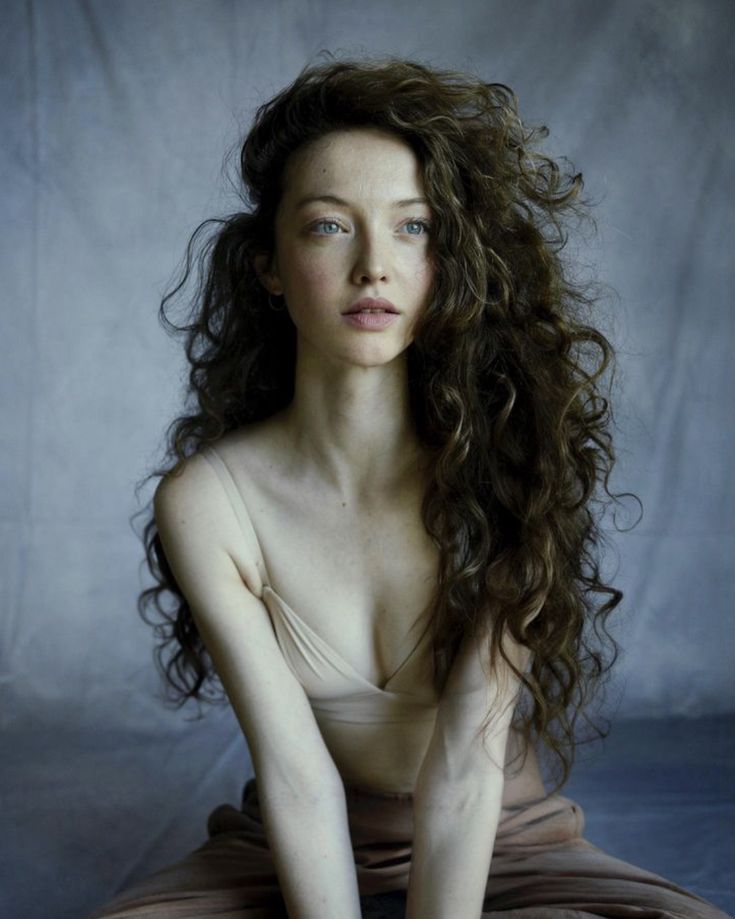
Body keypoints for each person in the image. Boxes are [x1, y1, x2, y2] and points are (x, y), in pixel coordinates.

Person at [89, 55, 731, 919]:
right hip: (292, 838)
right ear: (268, 266)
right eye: (327, 227)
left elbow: (466, 766)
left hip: (506, 835)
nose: (373, 268)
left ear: (452, 259)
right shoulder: (207, 502)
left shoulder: (508, 465)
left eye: (413, 227)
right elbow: (296, 772)